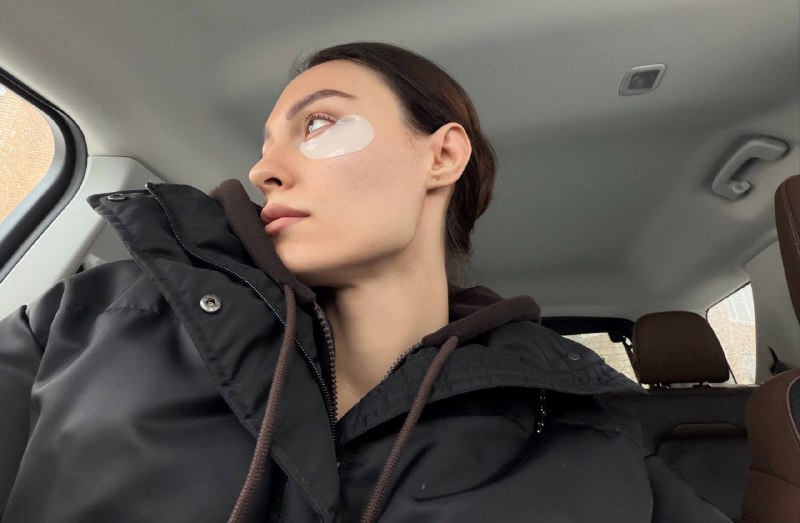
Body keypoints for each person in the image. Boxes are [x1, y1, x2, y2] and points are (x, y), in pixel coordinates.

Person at [0, 42, 732, 522]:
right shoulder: (86, 322)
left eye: (319, 123)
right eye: (265, 146)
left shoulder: (592, 436)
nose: (263, 170)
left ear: (442, 156)